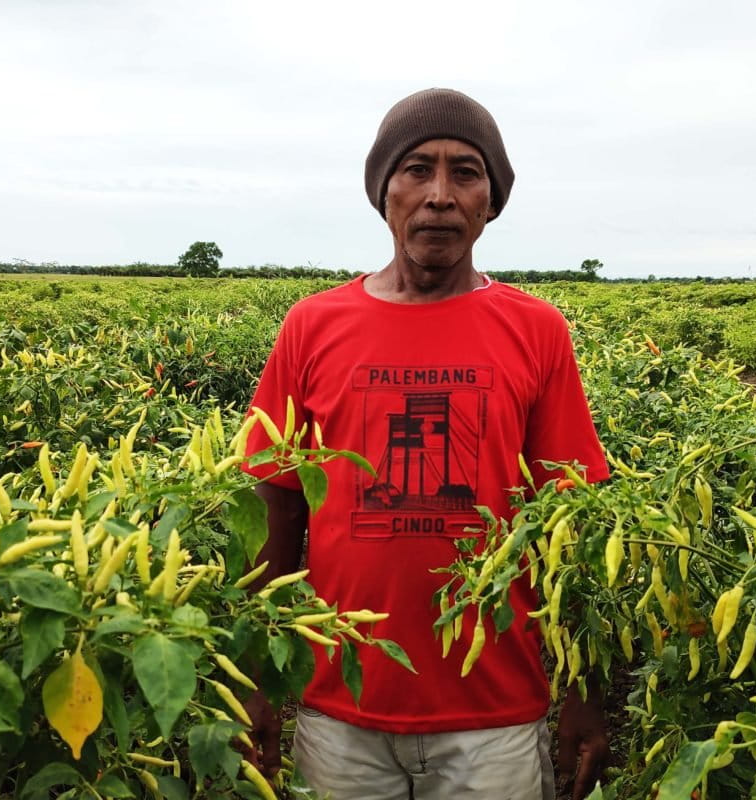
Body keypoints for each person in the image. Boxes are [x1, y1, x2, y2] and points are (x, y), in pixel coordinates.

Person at [239, 88, 611, 800]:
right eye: (416, 170)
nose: (439, 195)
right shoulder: (312, 326)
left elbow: (574, 524)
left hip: (496, 712)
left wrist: (584, 688)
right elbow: (276, 507)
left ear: (490, 202)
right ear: (384, 193)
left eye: (465, 173)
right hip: (340, 702)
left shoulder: (537, 331)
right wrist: (256, 681)